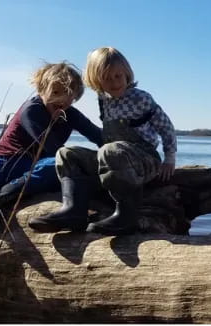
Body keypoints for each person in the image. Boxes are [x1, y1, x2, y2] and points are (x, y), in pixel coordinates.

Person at [28, 47, 177, 236]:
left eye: (118, 76)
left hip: (144, 160)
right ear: (96, 80)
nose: (115, 83)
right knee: (67, 154)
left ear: (127, 74)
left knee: (110, 150)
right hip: (115, 158)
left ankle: (126, 215)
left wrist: (169, 158)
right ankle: (73, 210)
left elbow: (167, 128)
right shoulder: (103, 100)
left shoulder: (141, 99)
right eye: (107, 78)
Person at [0, 62, 102, 223]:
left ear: (75, 96)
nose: (61, 99)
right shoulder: (32, 110)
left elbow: (98, 136)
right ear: (42, 89)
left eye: (68, 94)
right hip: (5, 161)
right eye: (55, 92)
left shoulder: (71, 114)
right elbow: (51, 147)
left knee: (54, 165)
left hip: (38, 166)